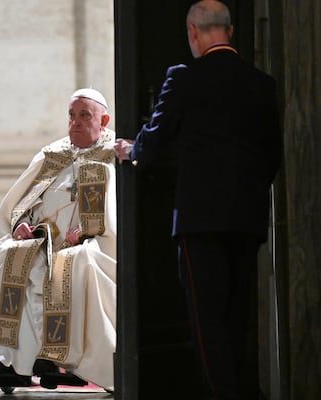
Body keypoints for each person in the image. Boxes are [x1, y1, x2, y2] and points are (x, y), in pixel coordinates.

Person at [115, 1, 282, 399]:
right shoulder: (261, 82)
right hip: (248, 217)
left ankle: (227, 395)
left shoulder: (184, 77)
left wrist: (131, 150)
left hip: (200, 219)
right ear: (231, 31)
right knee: (238, 314)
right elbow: (272, 154)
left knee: (207, 319)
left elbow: (154, 141)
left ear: (193, 31)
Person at [0, 88, 117, 392]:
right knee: (9, 256)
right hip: (43, 241)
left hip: (90, 244)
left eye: (84, 116)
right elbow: (21, 202)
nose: (75, 122)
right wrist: (21, 224)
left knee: (74, 264)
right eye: (71, 115)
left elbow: (117, 213)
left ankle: (65, 361)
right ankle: (9, 363)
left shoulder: (112, 156)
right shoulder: (53, 155)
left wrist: (91, 229)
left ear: (103, 120)